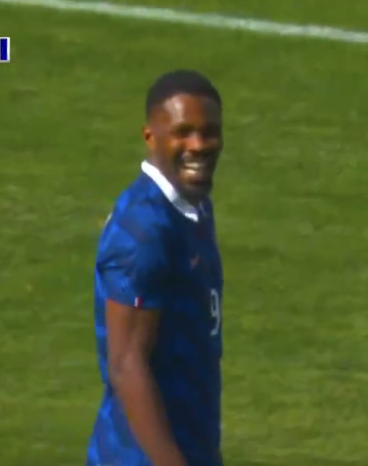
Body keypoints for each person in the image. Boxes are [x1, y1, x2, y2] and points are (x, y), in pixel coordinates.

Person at [87, 70, 225, 466]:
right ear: (151, 137)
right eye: (183, 132)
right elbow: (126, 363)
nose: (198, 145)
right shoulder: (143, 231)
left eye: (209, 132)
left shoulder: (193, 205)